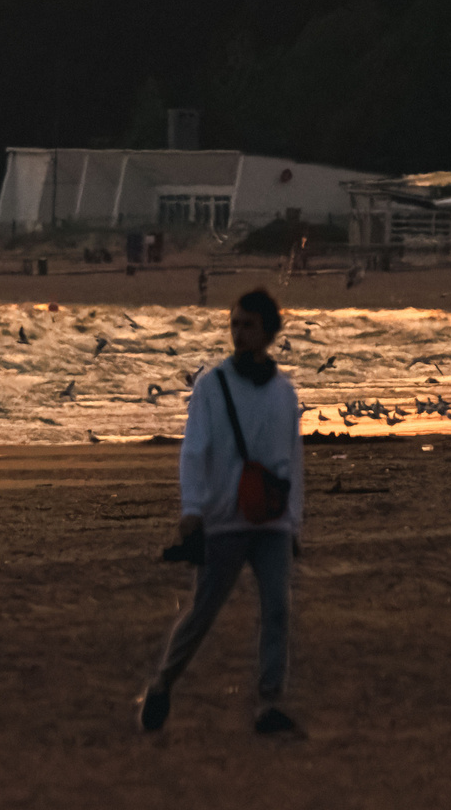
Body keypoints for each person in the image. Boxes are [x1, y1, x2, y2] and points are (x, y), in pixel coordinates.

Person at [140, 287, 306, 738]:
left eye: (248, 325)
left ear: (269, 332)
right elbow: (195, 450)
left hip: (271, 521)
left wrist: (293, 518)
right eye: (234, 325)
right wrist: (192, 509)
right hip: (224, 518)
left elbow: (290, 460)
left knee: (277, 609)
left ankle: (269, 703)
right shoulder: (212, 385)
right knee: (202, 612)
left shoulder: (284, 393)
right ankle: (162, 684)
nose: (239, 333)